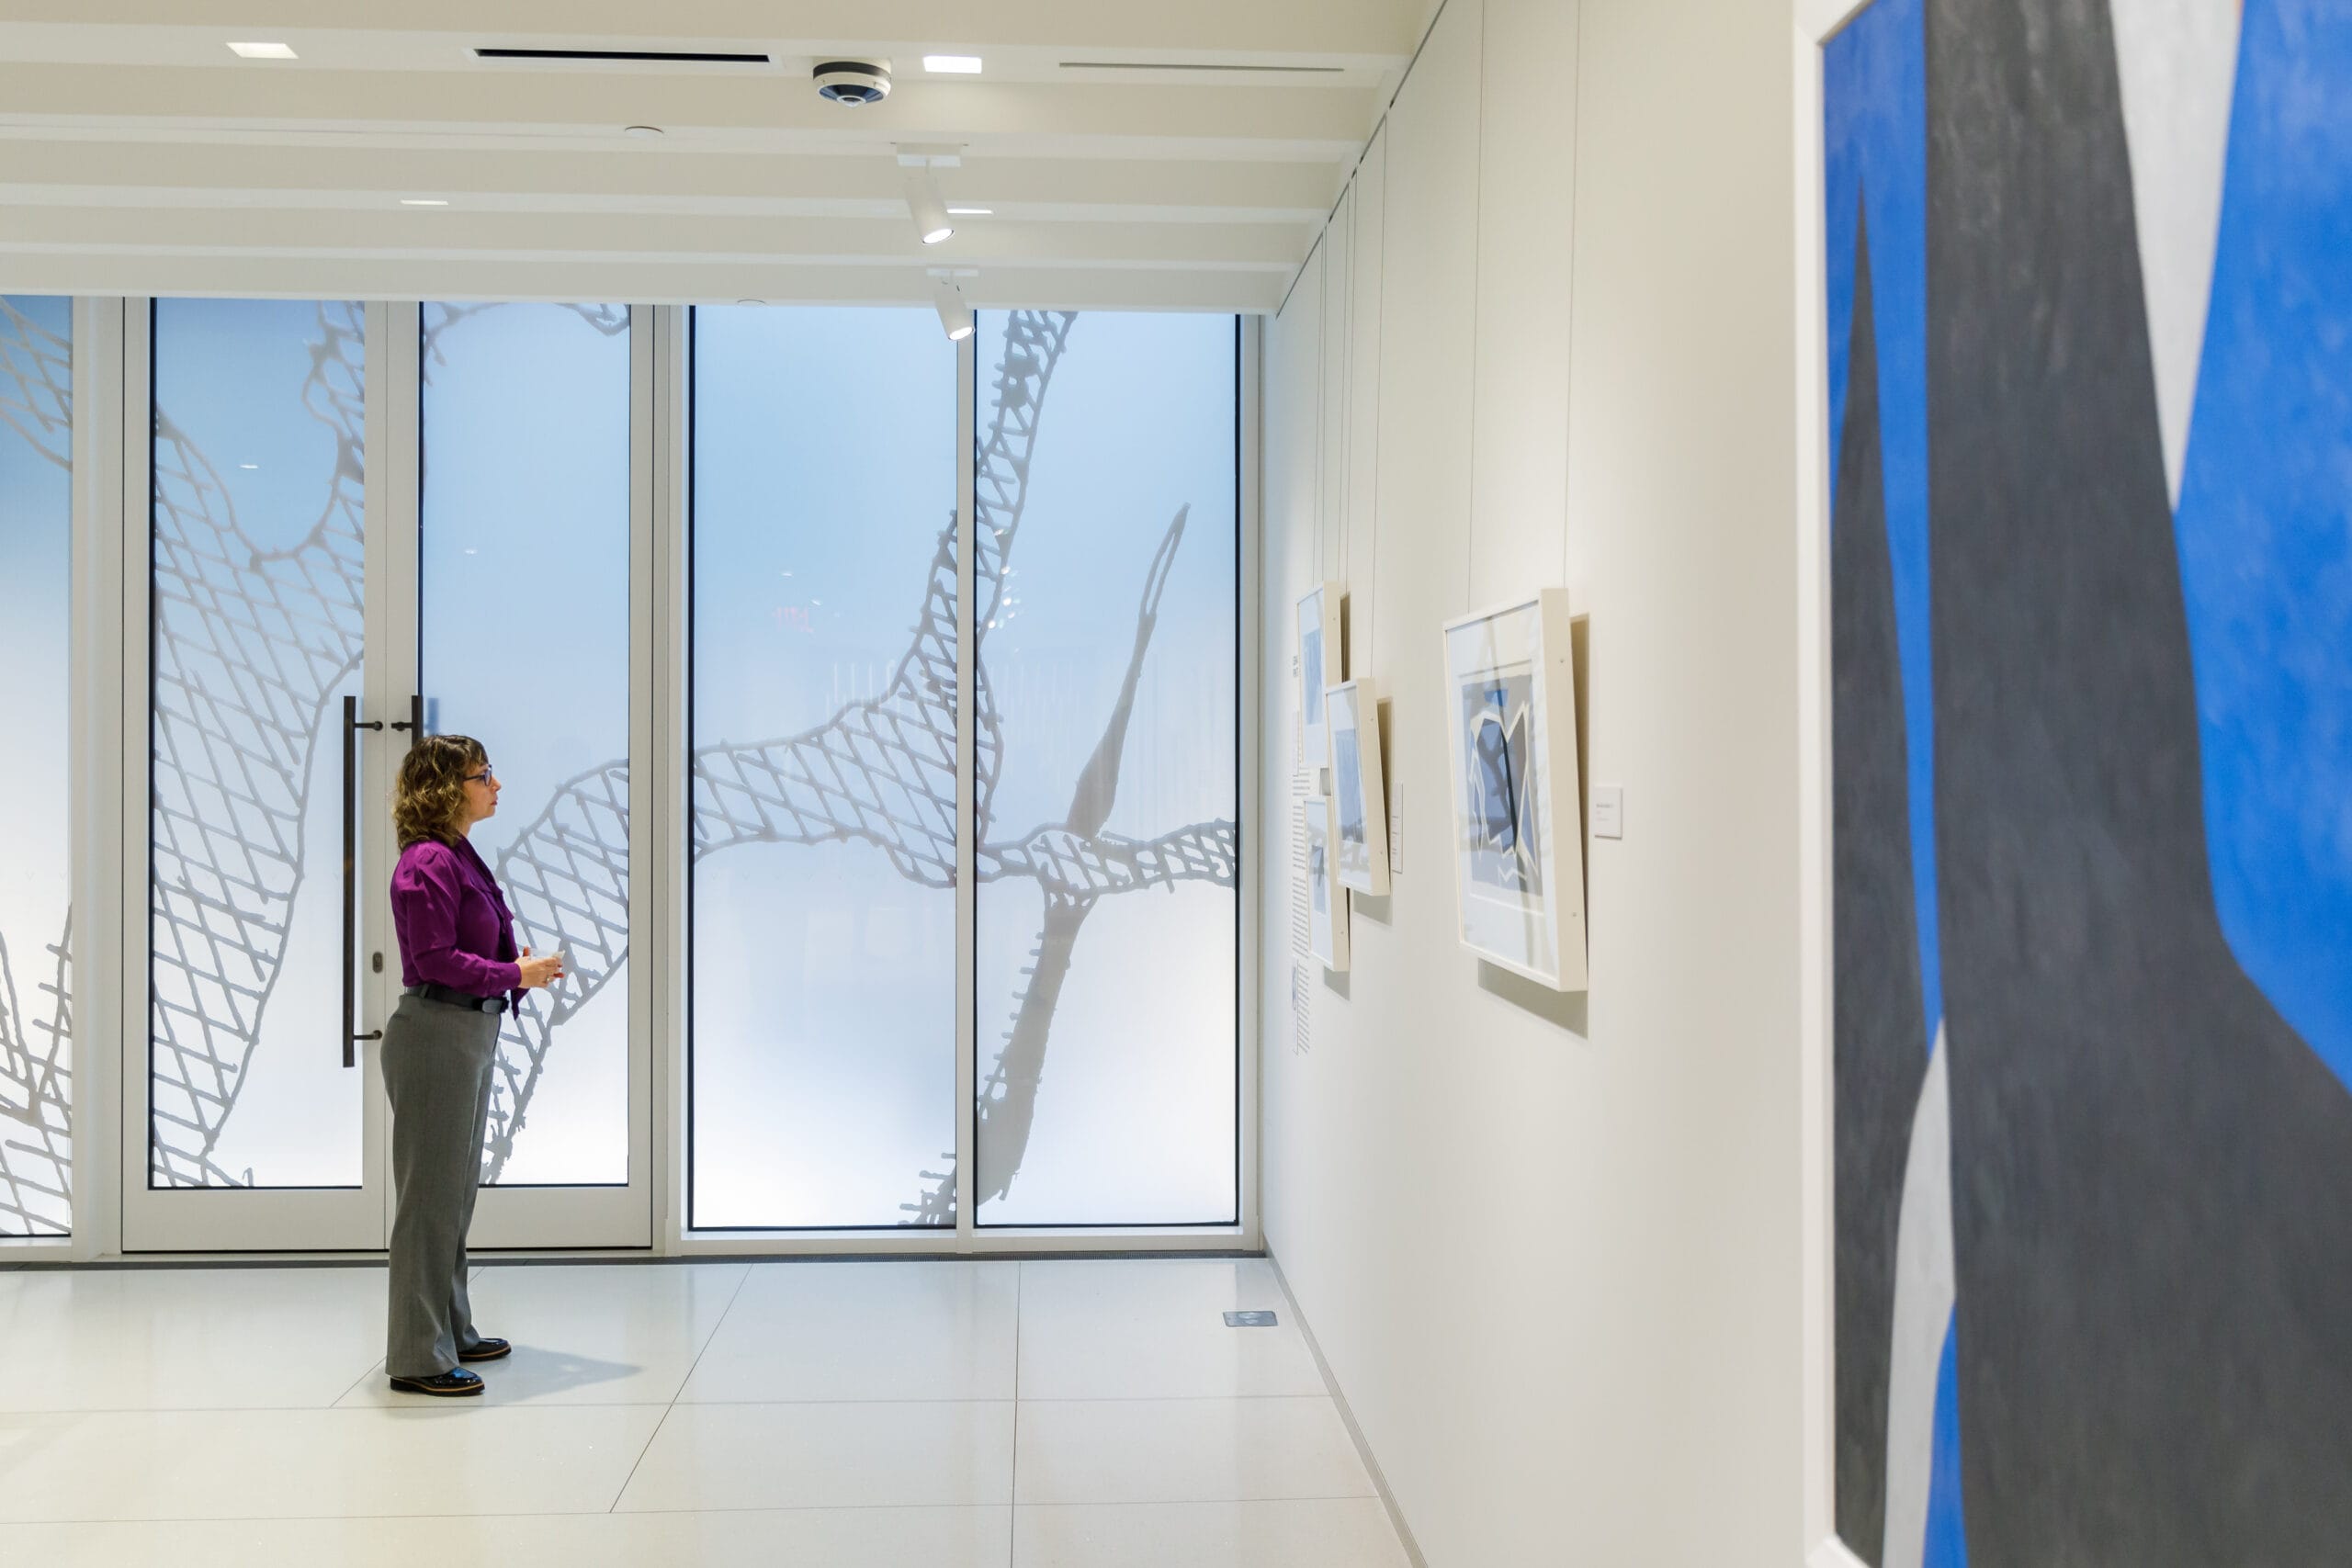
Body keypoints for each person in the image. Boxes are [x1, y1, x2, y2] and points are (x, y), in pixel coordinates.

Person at [380, 735, 562, 1396]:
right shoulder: (425, 862)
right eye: (483, 774)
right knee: (428, 1203)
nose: (496, 784)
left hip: (468, 1031)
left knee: (452, 1196)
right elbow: (433, 960)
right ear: (446, 787)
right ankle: (416, 1355)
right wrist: (517, 971)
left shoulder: (457, 855)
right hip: (437, 1032)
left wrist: (513, 974)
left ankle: (448, 1330)